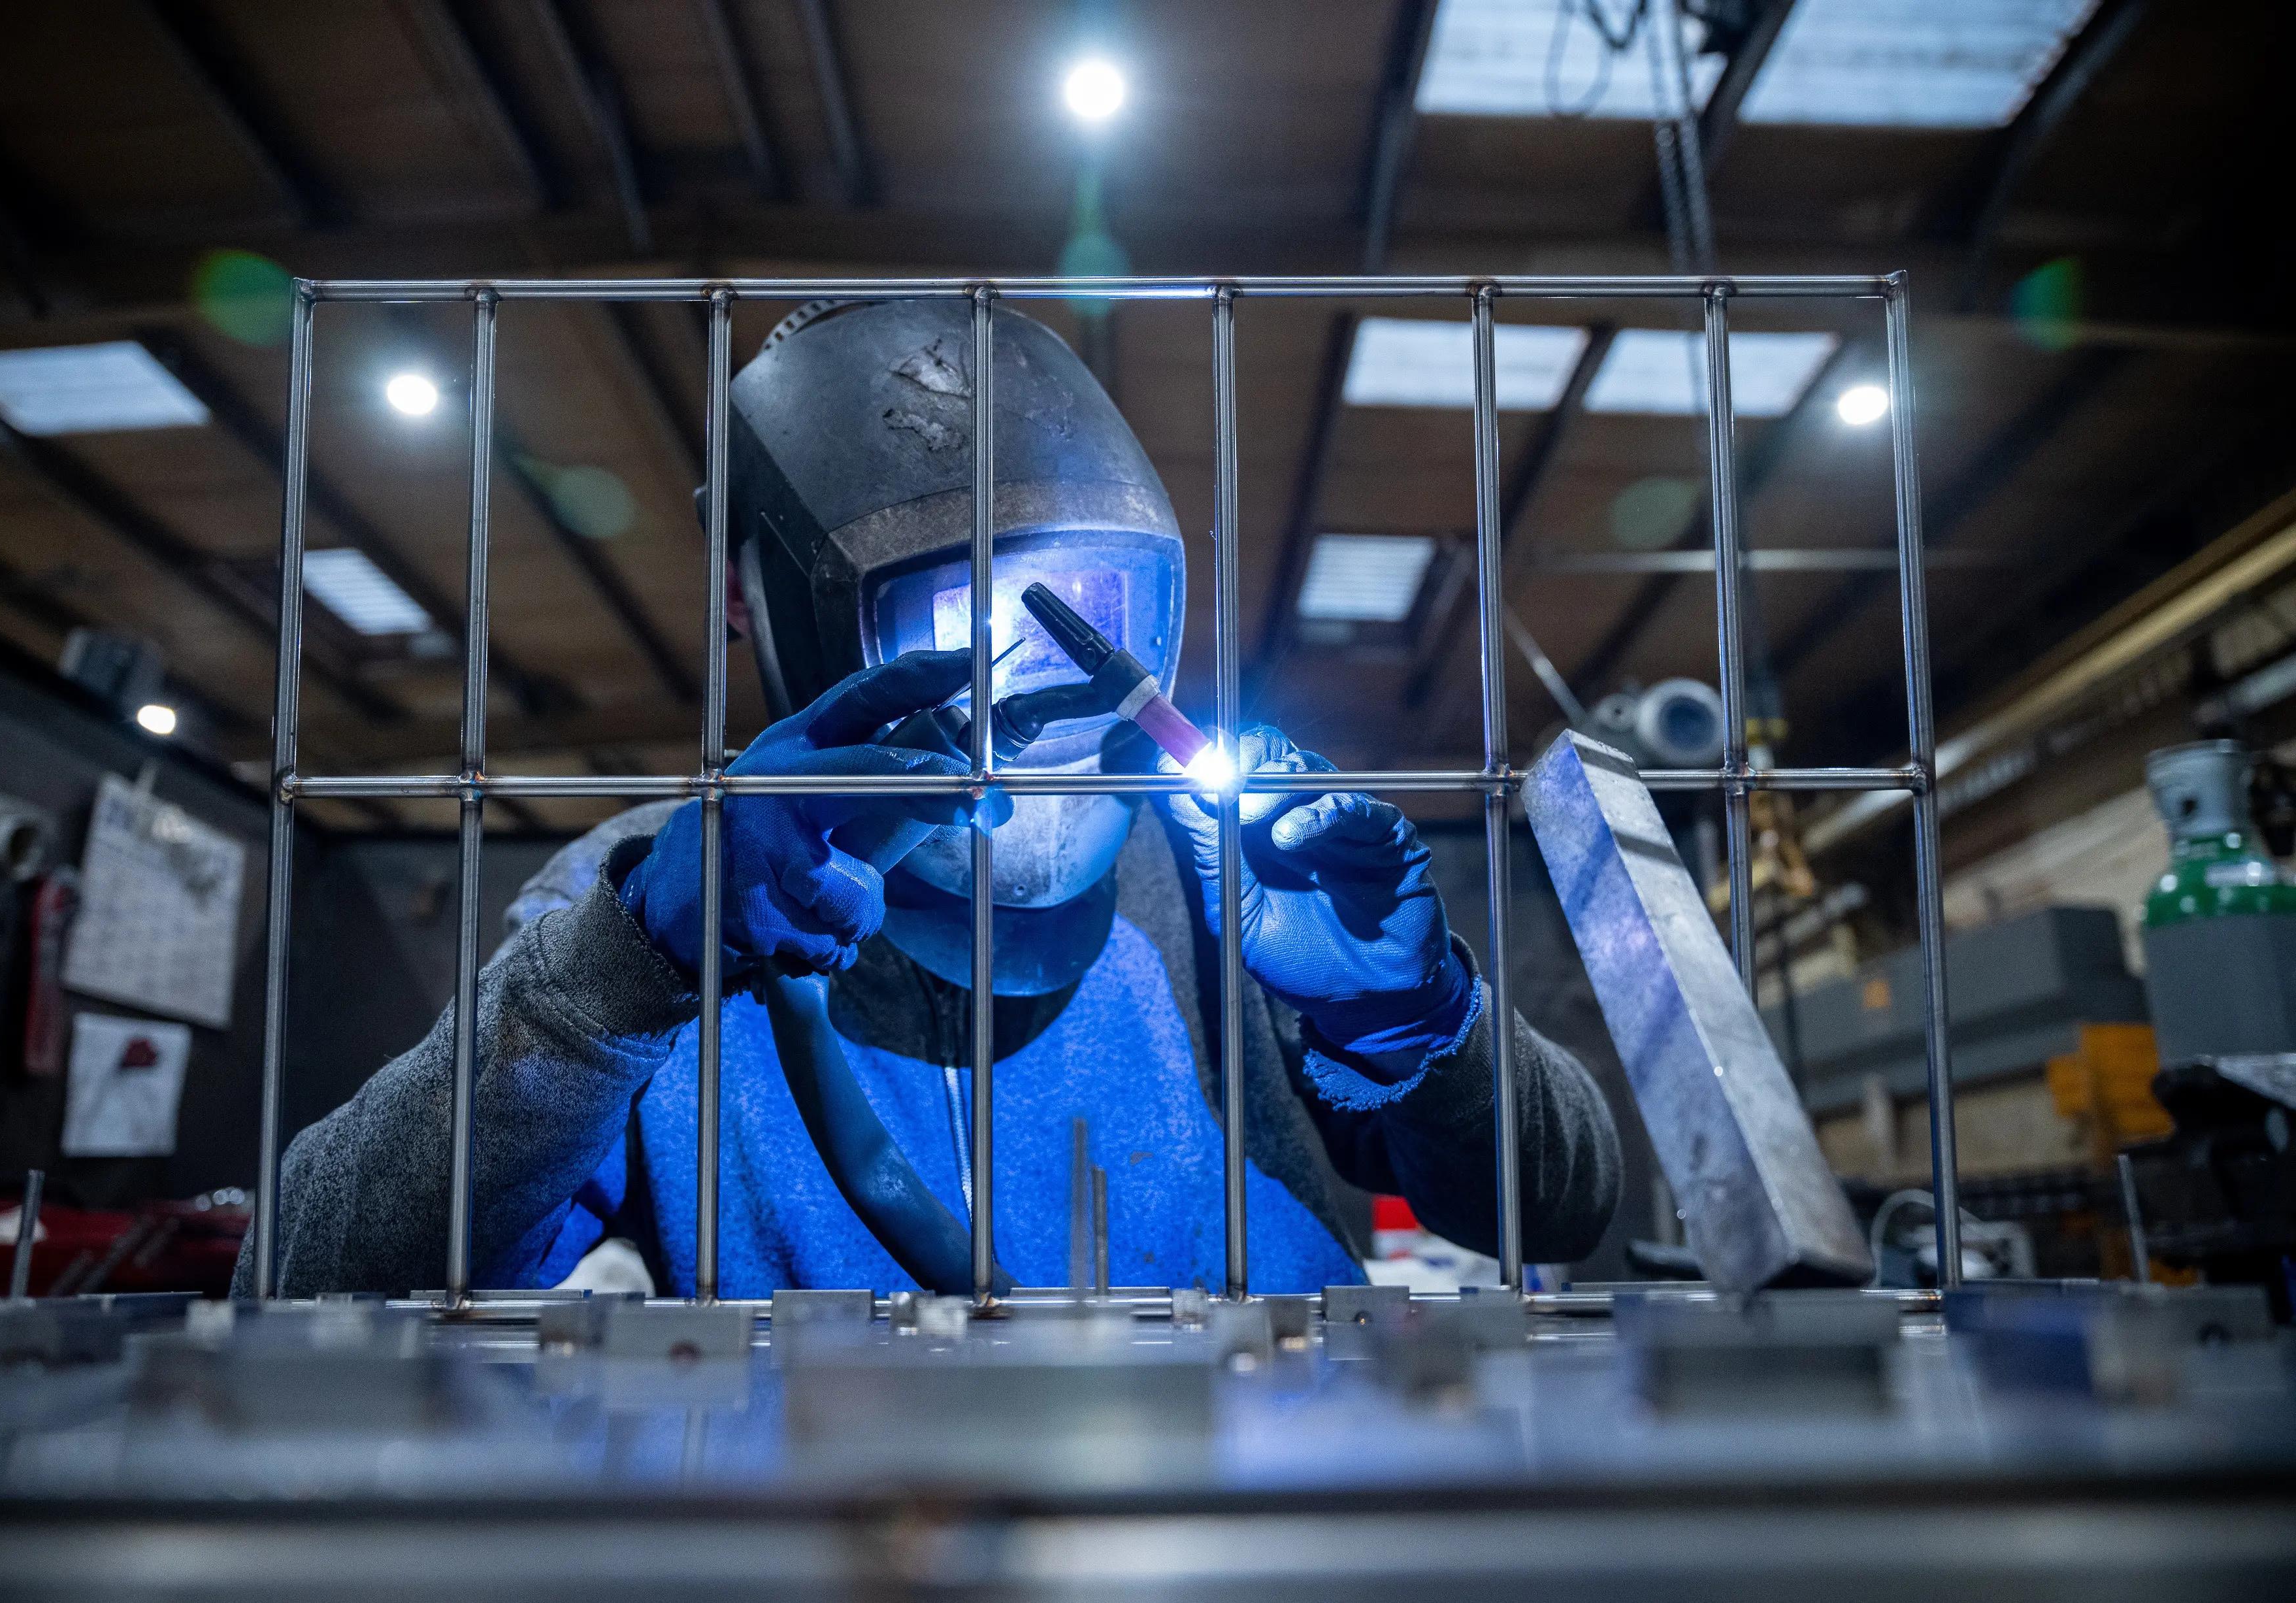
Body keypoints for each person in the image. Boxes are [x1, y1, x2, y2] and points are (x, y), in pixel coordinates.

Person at [237, 300, 1619, 1298]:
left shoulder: (1233, 869)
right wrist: (624, 972)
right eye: (962, 622)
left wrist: (1419, 1016)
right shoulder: (652, 896)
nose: (1031, 695)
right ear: (759, 600)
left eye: (1080, 610)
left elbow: (1560, 1211)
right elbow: (302, 1277)